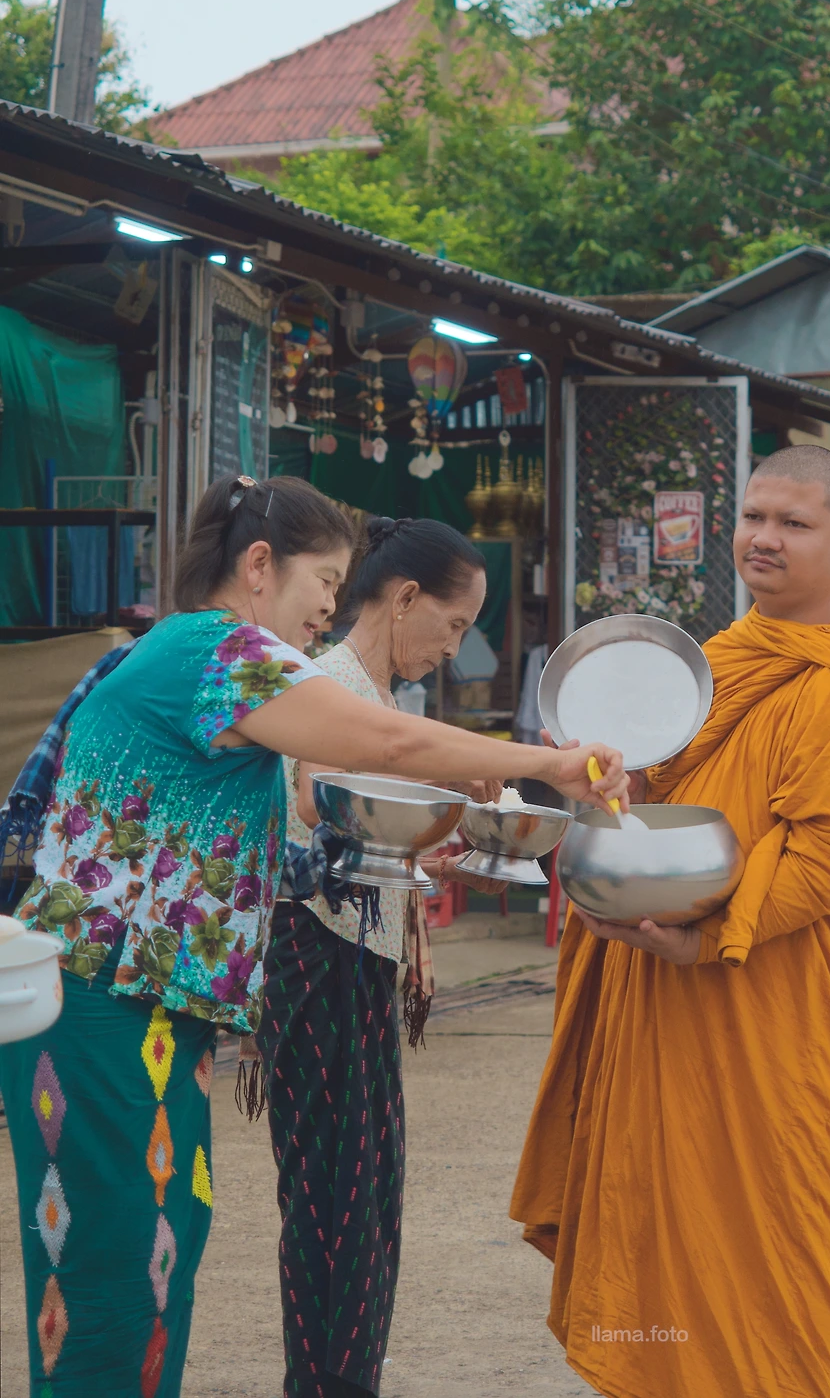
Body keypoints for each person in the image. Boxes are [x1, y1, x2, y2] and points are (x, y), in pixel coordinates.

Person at [0, 474, 626, 1398]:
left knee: (157, 1262)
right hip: (101, 1014)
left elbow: (245, 858)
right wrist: (550, 762)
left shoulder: (204, 663)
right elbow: (392, 746)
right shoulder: (210, 654)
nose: (328, 611)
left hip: (153, 1018)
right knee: (113, 1285)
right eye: (322, 584)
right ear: (260, 566)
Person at [510, 445, 830, 1398]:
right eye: (753, 517)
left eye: (795, 523)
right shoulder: (710, 667)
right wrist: (606, 776)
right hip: (665, 986)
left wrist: (707, 939)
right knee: (660, 1213)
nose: (764, 539)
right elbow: (663, 794)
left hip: (781, 1008)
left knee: (776, 1235)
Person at [263, 515, 506, 1398]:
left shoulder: (380, 693)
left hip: (356, 961)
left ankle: (345, 1375)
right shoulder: (329, 685)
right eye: (453, 624)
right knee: (333, 1193)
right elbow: (304, 819)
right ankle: (327, 1381)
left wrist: (412, 856)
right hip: (313, 958)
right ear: (405, 598)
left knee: (367, 1187)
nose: (455, 648)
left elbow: (353, 836)